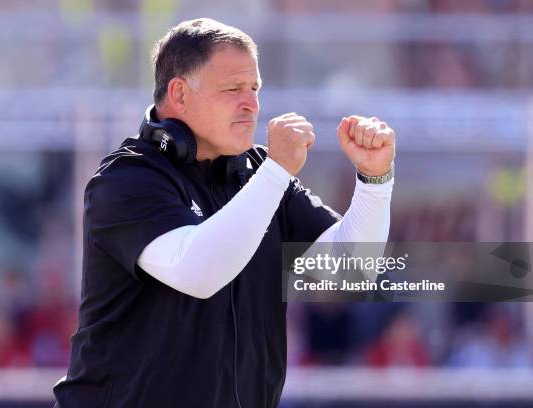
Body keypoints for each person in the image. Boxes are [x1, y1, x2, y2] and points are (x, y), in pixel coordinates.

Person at [54, 18, 395, 408]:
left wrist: (375, 179)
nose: (252, 104)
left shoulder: (259, 172)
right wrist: (276, 171)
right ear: (179, 94)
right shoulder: (126, 180)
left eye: (254, 88)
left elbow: (351, 272)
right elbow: (198, 272)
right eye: (233, 88)